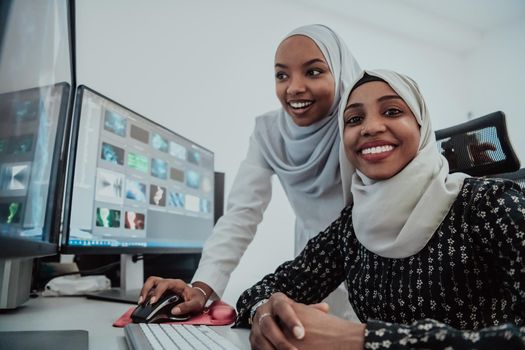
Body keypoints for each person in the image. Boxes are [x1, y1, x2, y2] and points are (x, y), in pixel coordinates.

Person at [234, 70, 525, 349]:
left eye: (392, 111)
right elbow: (264, 291)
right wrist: (266, 313)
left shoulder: (489, 203)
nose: (370, 127)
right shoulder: (350, 226)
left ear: (422, 126)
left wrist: (362, 340)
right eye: (354, 119)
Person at [138, 24, 363, 321]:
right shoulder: (269, 133)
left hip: (368, 257)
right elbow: (240, 214)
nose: (294, 87)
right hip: (311, 262)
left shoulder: (359, 125)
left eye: (313, 72)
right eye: (282, 75)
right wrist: (202, 287)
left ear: (341, 72)